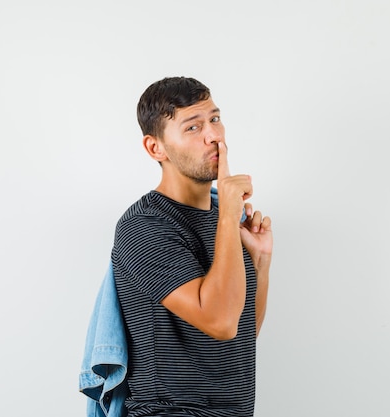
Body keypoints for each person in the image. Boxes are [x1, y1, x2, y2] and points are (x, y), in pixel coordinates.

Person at [111, 76, 273, 416]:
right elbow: (221, 322)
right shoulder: (145, 225)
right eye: (192, 127)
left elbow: (238, 335)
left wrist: (259, 262)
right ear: (156, 148)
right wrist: (228, 215)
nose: (213, 136)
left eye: (214, 119)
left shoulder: (224, 218)